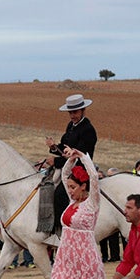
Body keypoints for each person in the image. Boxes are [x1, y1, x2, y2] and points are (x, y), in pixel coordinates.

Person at [40, 148, 125, 279]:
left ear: (83, 187)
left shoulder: (91, 203)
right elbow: (67, 173)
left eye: (73, 187)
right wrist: (70, 159)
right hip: (66, 258)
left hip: (85, 258)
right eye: (68, 187)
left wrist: (83, 156)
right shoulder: (72, 202)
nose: (69, 190)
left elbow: (94, 177)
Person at [43, 94, 97, 223]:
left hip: (80, 170)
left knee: (60, 195)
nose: (72, 115)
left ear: (83, 111)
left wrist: (55, 161)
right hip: (67, 167)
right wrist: (54, 147)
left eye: (75, 112)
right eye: (70, 112)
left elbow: (78, 155)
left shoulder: (88, 129)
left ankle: (61, 228)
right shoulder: (71, 126)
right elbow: (65, 149)